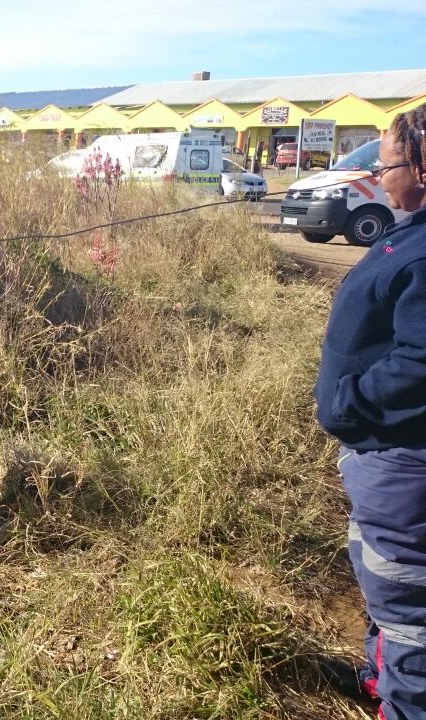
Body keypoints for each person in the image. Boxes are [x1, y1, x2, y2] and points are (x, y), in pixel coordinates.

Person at [315, 102, 426, 719]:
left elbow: (421, 360)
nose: (379, 179)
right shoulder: (412, 227)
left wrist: (350, 400)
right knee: (384, 577)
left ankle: (404, 700)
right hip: (382, 451)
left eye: (388, 167)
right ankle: (378, 676)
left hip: (403, 457)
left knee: (408, 599)